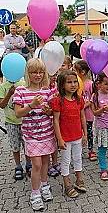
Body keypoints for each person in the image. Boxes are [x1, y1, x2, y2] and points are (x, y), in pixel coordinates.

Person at [13, 58, 56, 211]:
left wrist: (48, 110)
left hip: (46, 132)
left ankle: (44, 185)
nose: (37, 75)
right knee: (36, 164)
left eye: (40, 72)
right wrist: (32, 105)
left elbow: (52, 111)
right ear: (28, 74)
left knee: (45, 162)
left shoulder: (47, 90)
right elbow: (18, 113)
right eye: (34, 72)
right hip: (31, 135)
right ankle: (35, 193)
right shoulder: (20, 91)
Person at [51, 70, 88, 198]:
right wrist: (59, 139)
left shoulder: (79, 99)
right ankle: (67, 184)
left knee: (78, 158)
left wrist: (85, 134)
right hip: (65, 138)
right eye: (69, 82)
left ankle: (79, 179)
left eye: (75, 82)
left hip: (78, 135)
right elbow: (55, 120)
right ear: (62, 85)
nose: (73, 85)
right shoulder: (58, 101)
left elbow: (82, 117)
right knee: (66, 161)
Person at [0, 79, 31, 180]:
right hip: (11, 122)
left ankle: (29, 164)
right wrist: (9, 93)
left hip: (25, 120)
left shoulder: (24, 83)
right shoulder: (3, 86)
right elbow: (2, 105)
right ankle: (18, 166)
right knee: (15, 146)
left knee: (27, 144)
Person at [73, 60, 96, 161]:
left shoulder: (90, 84)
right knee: (78, 132)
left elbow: (93, 99)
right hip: (77, 114)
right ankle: (78, 150)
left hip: (87, 114)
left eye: (75, 70)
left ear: (82, 72)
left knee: (89, 132)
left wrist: (83, 106)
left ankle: (91, 150)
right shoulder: (75, 84)